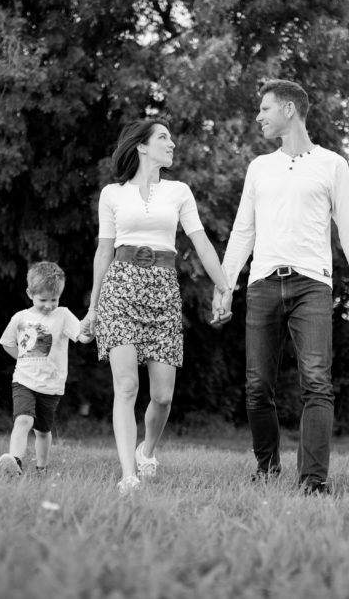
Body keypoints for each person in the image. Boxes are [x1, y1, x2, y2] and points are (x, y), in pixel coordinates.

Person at [216, 79, 349, 494]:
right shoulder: (259, 167)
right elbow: (242, 232)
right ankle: (267, 467)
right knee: (257, 386)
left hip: (312, 286)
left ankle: (313, 481)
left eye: (265, 109)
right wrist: (224, 284)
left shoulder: (332, 165)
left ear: (289, 109)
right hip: (263, 284)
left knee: (317, 383)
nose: (259, 116)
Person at [81, 118, 232, 495]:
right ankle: (128, 475)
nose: (172, 144)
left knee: (163, 396)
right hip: (120, 287)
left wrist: (224, 285)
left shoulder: (179, 191)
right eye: (163, 138)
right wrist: (93, 308)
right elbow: (103, 252)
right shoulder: (111, 195)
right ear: (142, 146)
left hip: (163, 291)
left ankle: (146, 450)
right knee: (127, 385)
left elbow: (201, 243)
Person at [0, 261, 92, 476]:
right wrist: (22, 358)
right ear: (30, 293)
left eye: (54, 299)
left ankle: (41, 468)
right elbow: (7, 343)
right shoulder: (20, 318)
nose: (49, 305)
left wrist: (90, 329)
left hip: (51, 385)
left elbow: (83, 337)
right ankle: (15, 462)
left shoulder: (63, 315)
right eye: (43, 300)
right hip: (23, 381)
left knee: (42, 431)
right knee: (23, 420)